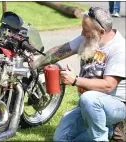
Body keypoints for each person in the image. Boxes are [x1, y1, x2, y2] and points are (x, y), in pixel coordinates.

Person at [31, 7, 126, 141]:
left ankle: (102, 136)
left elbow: (108, 86)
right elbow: (60, 51)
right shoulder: (88, 38)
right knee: (60, 138)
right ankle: (108, 130)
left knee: (89, 99)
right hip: (88, 106)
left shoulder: (119, 49)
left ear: (102, 32)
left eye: (86, 30)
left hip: (116, 107)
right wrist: (35, 64)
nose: (82, 33)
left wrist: (75, 80)